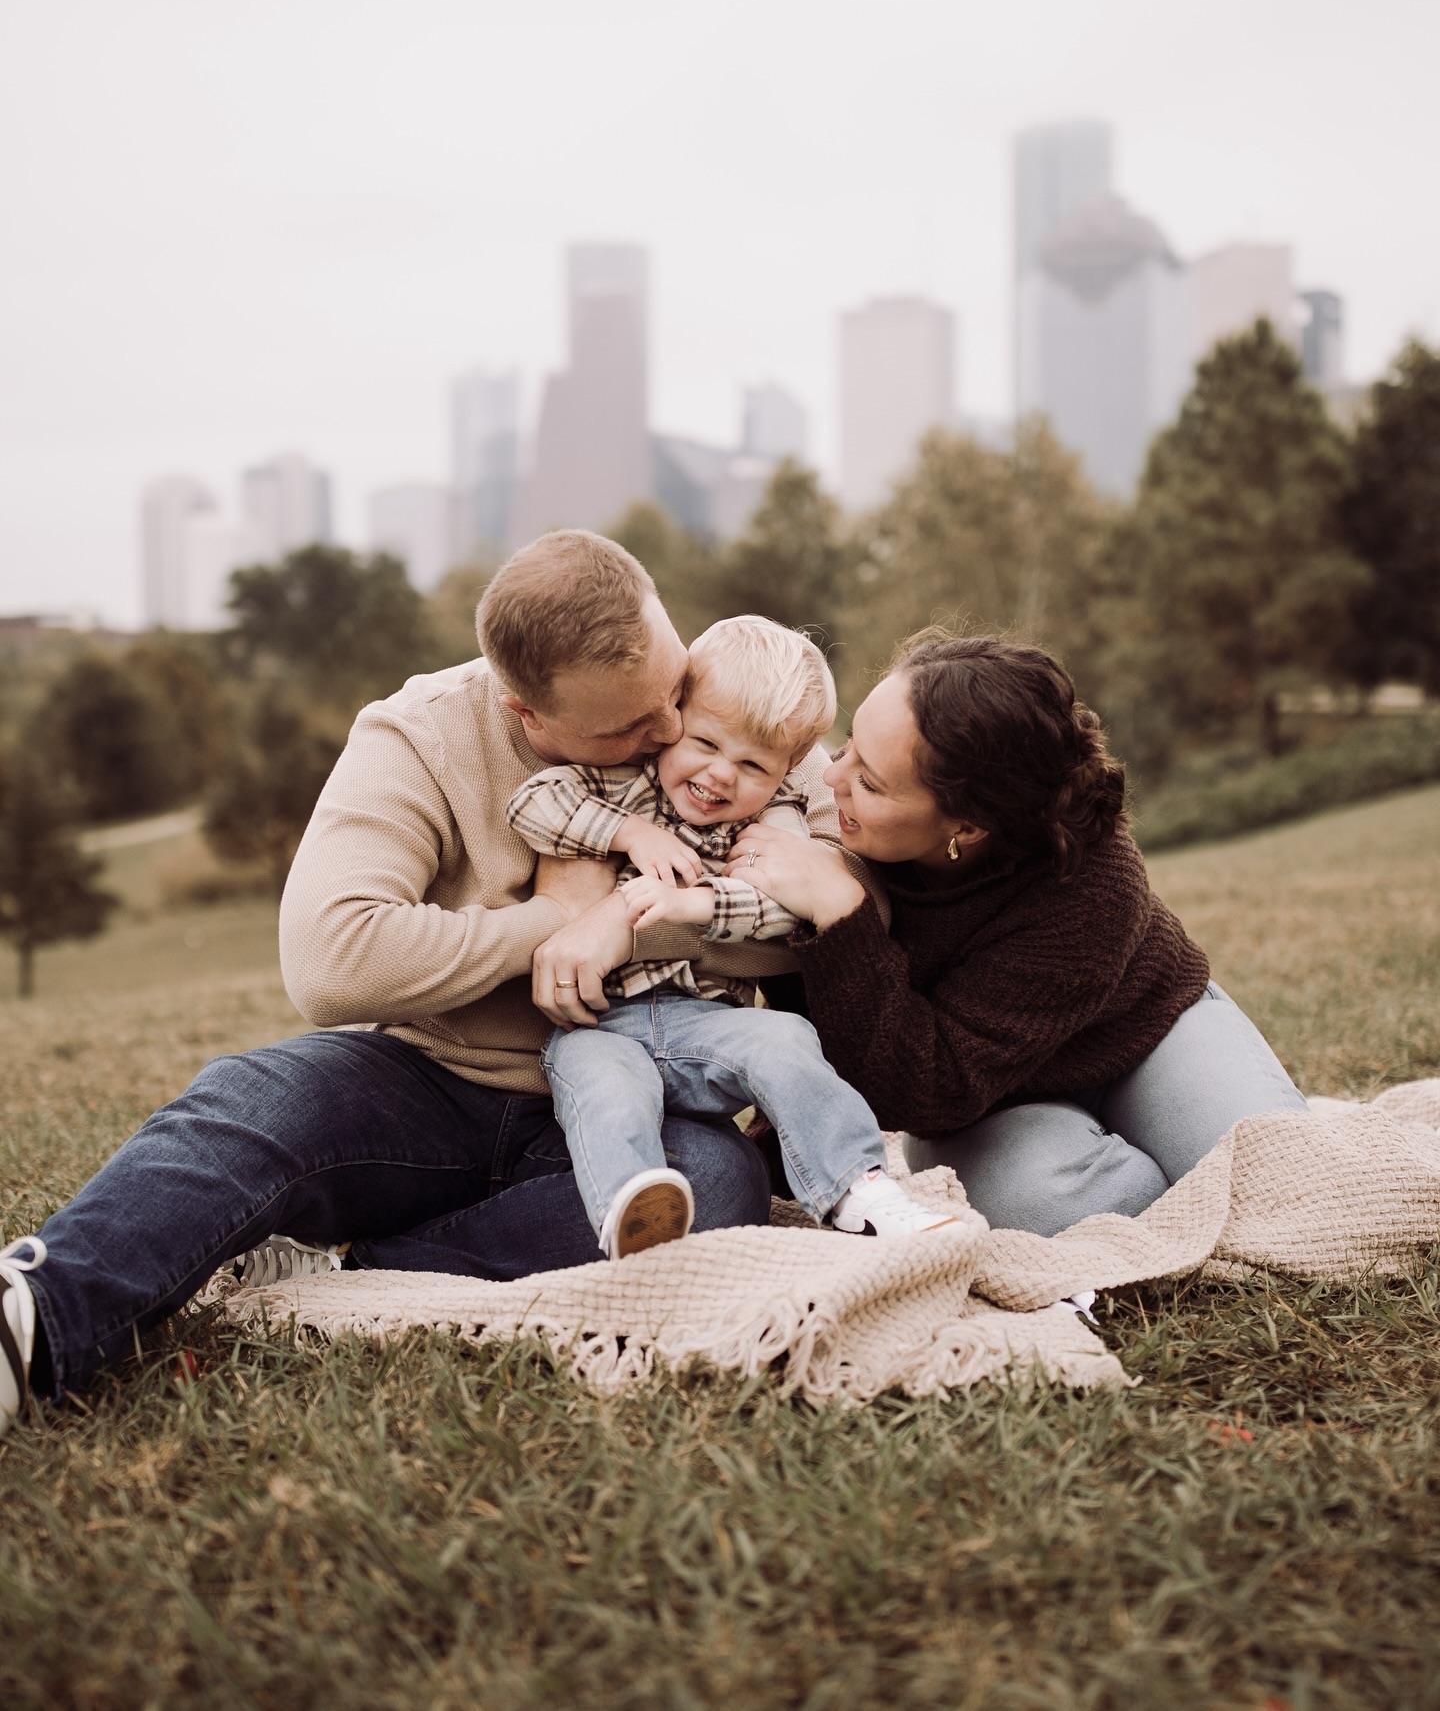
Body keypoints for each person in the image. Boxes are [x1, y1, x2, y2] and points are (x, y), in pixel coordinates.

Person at [0, 532, 833, 1435]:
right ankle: (39, 1318)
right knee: (256, 1098)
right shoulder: (422, 734)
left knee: (714, 1184)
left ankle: (365, 1270)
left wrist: (620, 916)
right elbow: (333, 959)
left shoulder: (732, 716)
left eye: (672, 692)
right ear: (525, 712)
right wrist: (550, 920)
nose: (670, 732)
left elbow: (828, 919)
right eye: (626, 729)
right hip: (434, 1085)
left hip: (635, 1100)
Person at [709, 633, 1309, 1239]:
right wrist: (836, 914)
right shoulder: (832, 834)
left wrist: (845, 913)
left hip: (1146, 1038)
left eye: (870, 782)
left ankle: (1168, 1147)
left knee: (1285, 1182)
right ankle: (1143, 1176)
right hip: (980, 1100)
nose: (835, 776)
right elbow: (911, 1087)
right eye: (849, 748)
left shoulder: (1093, 884)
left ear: (967, 827)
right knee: (1061, 1205)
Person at [507, 615, 953, 1257]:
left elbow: (784, 910)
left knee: (784, 1038)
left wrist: (692, 903)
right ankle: (633, 1215)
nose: (720, 775)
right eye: (706, 743)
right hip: (598, 1027)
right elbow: (531, 803)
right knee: (608, 1093)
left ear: (788, 772)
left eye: (752, 764)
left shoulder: (771, 824)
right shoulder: (624, 785)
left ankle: (857, 1190)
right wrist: (631, 834)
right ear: (674, 719)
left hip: (707, 1028)